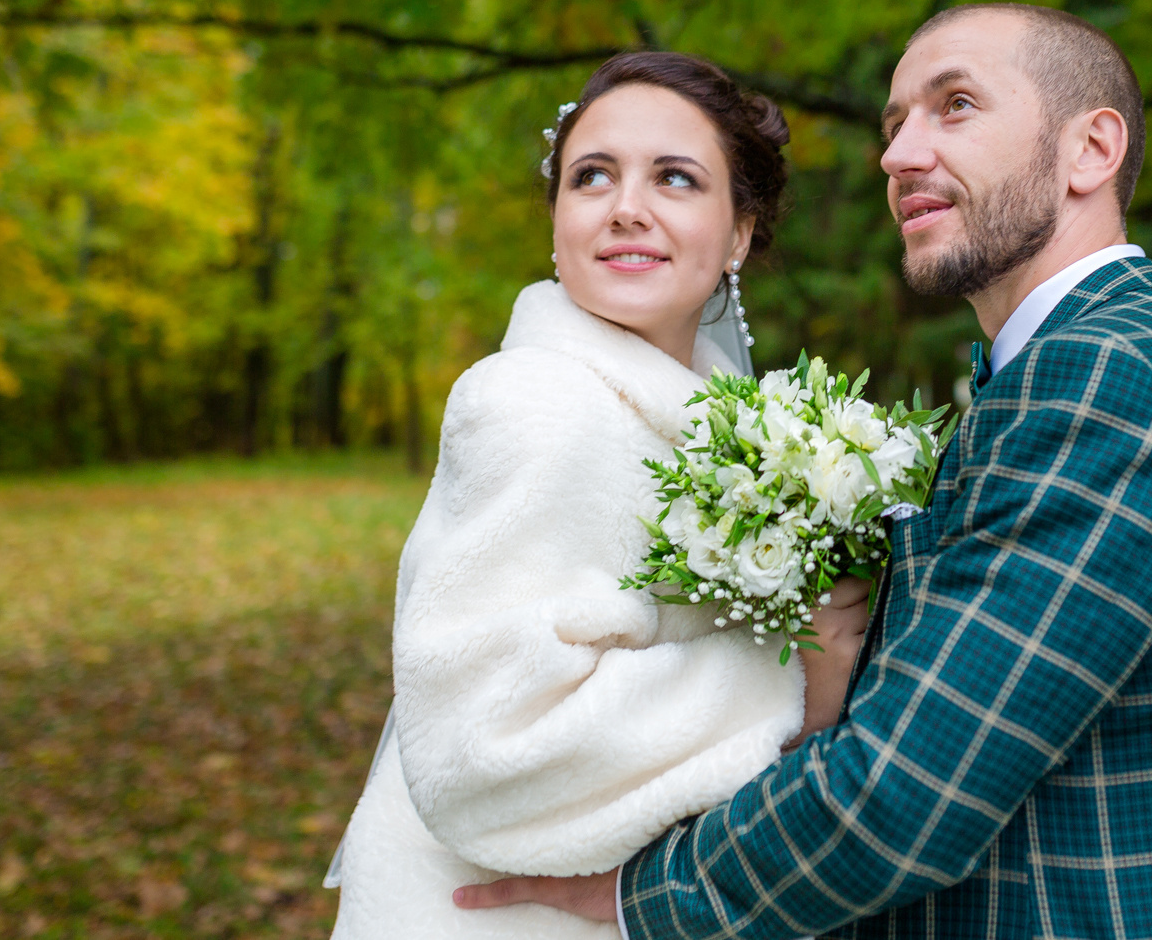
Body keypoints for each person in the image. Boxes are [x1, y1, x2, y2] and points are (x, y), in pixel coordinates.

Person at [456, 4, 1152, 939]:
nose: (899, 155)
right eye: (895, 125)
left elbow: (908, 793)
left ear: (1091, 151)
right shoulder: (1069, 369)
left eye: (957, 106)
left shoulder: (1107, 377)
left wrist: (638, 898)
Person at [328, 51, 873, 939]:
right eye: (592, 176)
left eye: (675, 177)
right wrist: (790, 680)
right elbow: (481, 752)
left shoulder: (720, 427)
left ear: (739, 232)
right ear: (556, 222)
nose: (628, 206)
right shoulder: (536, 404)